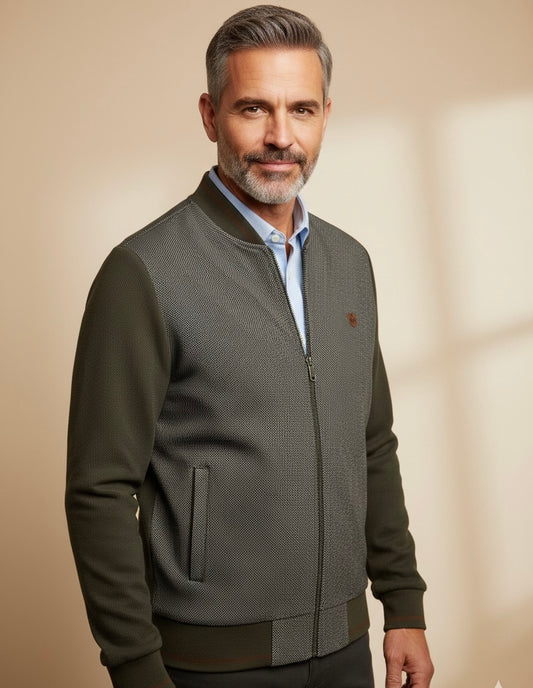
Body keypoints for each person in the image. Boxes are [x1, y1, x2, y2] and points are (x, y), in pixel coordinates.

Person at [66, 5, 434, 688]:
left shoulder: (349, 264)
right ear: (210, 116)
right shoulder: (144, 272)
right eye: (253, 108)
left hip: (346, 649)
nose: (279, 136)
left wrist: (402, 605)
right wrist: (135, 665)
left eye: (301, 110)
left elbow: (372, 444)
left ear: (325, 116)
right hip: (209, 663)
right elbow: (99, 489)